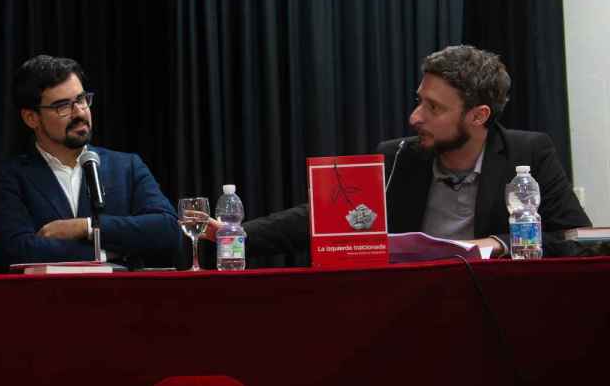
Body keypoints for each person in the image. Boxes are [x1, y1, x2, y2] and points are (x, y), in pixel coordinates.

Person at [206, 45, 591, 258]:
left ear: (479, 116)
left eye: (434, 108)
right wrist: (234, 232)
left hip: (497, 311)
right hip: (415, 310)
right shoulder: (400, 157)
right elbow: (320, 218)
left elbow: (575, 238)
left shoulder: (529, 152)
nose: (414, 117)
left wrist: (500, 243)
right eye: (419, 101)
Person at [0, 55, 180, 272]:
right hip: (45, 302)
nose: (79, 112)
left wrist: (86, 227)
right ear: (31, 118)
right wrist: (109, 253)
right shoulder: (8, 176)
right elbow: (16, 249)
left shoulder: (126, 167)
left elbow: (168, 231)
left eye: (81, 99)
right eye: (63, 106)